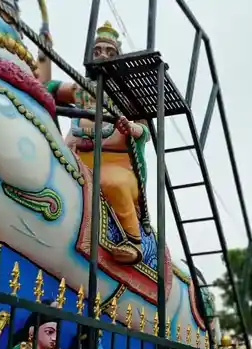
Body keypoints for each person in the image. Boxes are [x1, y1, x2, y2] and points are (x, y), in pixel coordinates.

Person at [40, 22, 151, 265]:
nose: (102, 55)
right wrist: (44, 53)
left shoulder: (127, 95)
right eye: (97, 50)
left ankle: (134, 242)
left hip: (117, 166)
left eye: (110, 53)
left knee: (112, 182)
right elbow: (43, 88)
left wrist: (130, 128)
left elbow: (144, 130)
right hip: (76, 157)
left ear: (118, 58)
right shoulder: (81, 90)